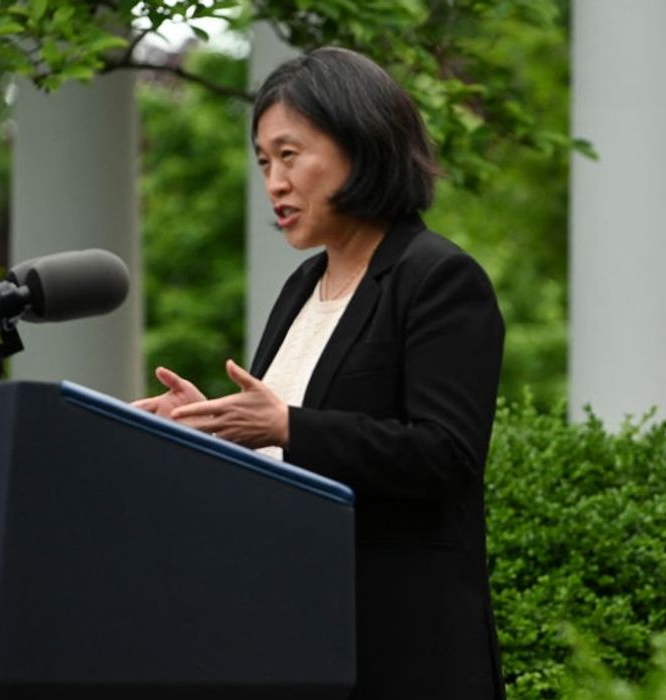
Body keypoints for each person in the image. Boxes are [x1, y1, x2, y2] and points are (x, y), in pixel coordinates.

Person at [134, 47, 506, 697]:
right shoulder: (301, 287)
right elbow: (286, 453)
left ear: (361, 144)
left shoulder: (437, 279)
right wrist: (207, 427)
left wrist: (284, 425)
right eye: (262, 162)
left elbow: (445, 453)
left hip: (401, 647)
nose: (273, 182)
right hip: (296, 632)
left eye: (289, 154)